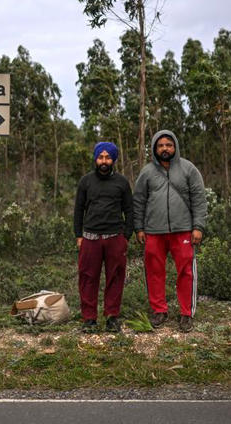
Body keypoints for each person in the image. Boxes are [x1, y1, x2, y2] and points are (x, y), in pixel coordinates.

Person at [133, 130, 207, 332]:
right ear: (155, 149)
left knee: (185, 271)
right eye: (160, 145)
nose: (165, 148)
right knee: (154, 272)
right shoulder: (147, 172)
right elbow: (138, 201)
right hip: (153, 231)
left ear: (175, 147)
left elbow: (199, 199)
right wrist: (139, 227)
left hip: (183, 230)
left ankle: (186, 314)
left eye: (168, 145)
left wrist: (198, 226)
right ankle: (159, 310)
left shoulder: (188, 169)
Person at [74, 142, 133, 333]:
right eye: (101, 157)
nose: (104, 161)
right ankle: (89, 319)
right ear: (96, 158)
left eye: (108, 158)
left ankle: (111, 317)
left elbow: (129, 209)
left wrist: (126, 235)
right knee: (88, 278)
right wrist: (78, 234)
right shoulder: (86, 181)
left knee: (115, 277)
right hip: (90, 237)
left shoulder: (122, 182)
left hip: (115, 236)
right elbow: (78, 210)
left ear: (114, 160)